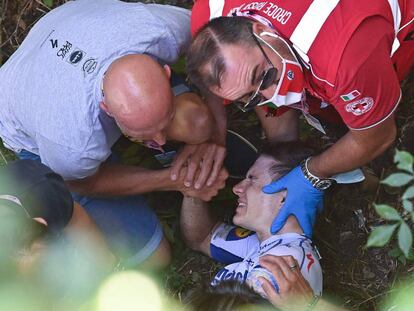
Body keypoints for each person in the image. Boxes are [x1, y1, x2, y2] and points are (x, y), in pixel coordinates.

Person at [0, 0, 228, 268]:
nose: (161, 141)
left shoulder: (159, 29)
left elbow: (217, 48)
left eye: (162, 123)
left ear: (165, 72)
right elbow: (82, 182)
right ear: (106, 108)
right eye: (143, 134)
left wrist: (216, 138)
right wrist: (170, 180)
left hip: (71, 25)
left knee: (197, 122)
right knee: (154, 259)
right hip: (34, 123)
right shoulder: (70, 141)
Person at [186, 0, 414, 237]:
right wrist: (281, 152)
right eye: (248, 98)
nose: (274, 96)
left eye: (263, 76)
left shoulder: (343, 60)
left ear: (263, 32)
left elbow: (377, 136)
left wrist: (312, 173)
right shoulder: (210, 19)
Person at [180, 142, 323, 305]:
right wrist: (193, 191)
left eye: (252, 179)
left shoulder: (280, 267)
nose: (237, 188)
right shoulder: (273, 246)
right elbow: (202, 237)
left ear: (284, 197)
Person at [0, 160, 115, 275]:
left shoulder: (44, 191)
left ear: (40, 221)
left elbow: (76, 220)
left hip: (52, 184)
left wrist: (107, 264)